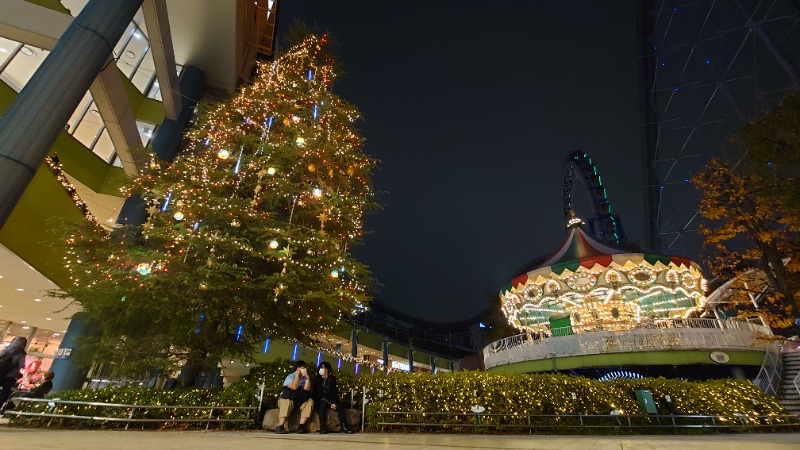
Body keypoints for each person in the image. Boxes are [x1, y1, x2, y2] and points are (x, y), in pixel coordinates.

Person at [312, 361, 353, 434]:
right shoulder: (317, 379)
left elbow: (334, 392)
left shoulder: (332, 379)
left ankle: (344, 426)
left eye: (323, 367)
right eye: (321, 367)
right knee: (322, 406)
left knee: (340, 407)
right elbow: (316, 392)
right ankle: (322, 426)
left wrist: (334, 402)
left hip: (330, 400)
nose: (321, 369)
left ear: (327, 370)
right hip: (320, 400)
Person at [274, 360, 313, 434]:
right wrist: (297, 375)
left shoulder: (305, 378)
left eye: (305, 368)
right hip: (287, 398)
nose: (304, 370)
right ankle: (280, 426)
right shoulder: (290, 376)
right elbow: (294, 387)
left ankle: (301, 426)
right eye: (302, 368)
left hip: (299, 400)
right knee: (287, 402)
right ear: (297, 369)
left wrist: (308, 379)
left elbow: (306, 390)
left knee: (310, 401)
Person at [0, 337, 27, 408]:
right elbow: (22, 366)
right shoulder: (21, 353)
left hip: (1, 373)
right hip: (10, 376)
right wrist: (23, 374)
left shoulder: (6, 350)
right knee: (6, 392)